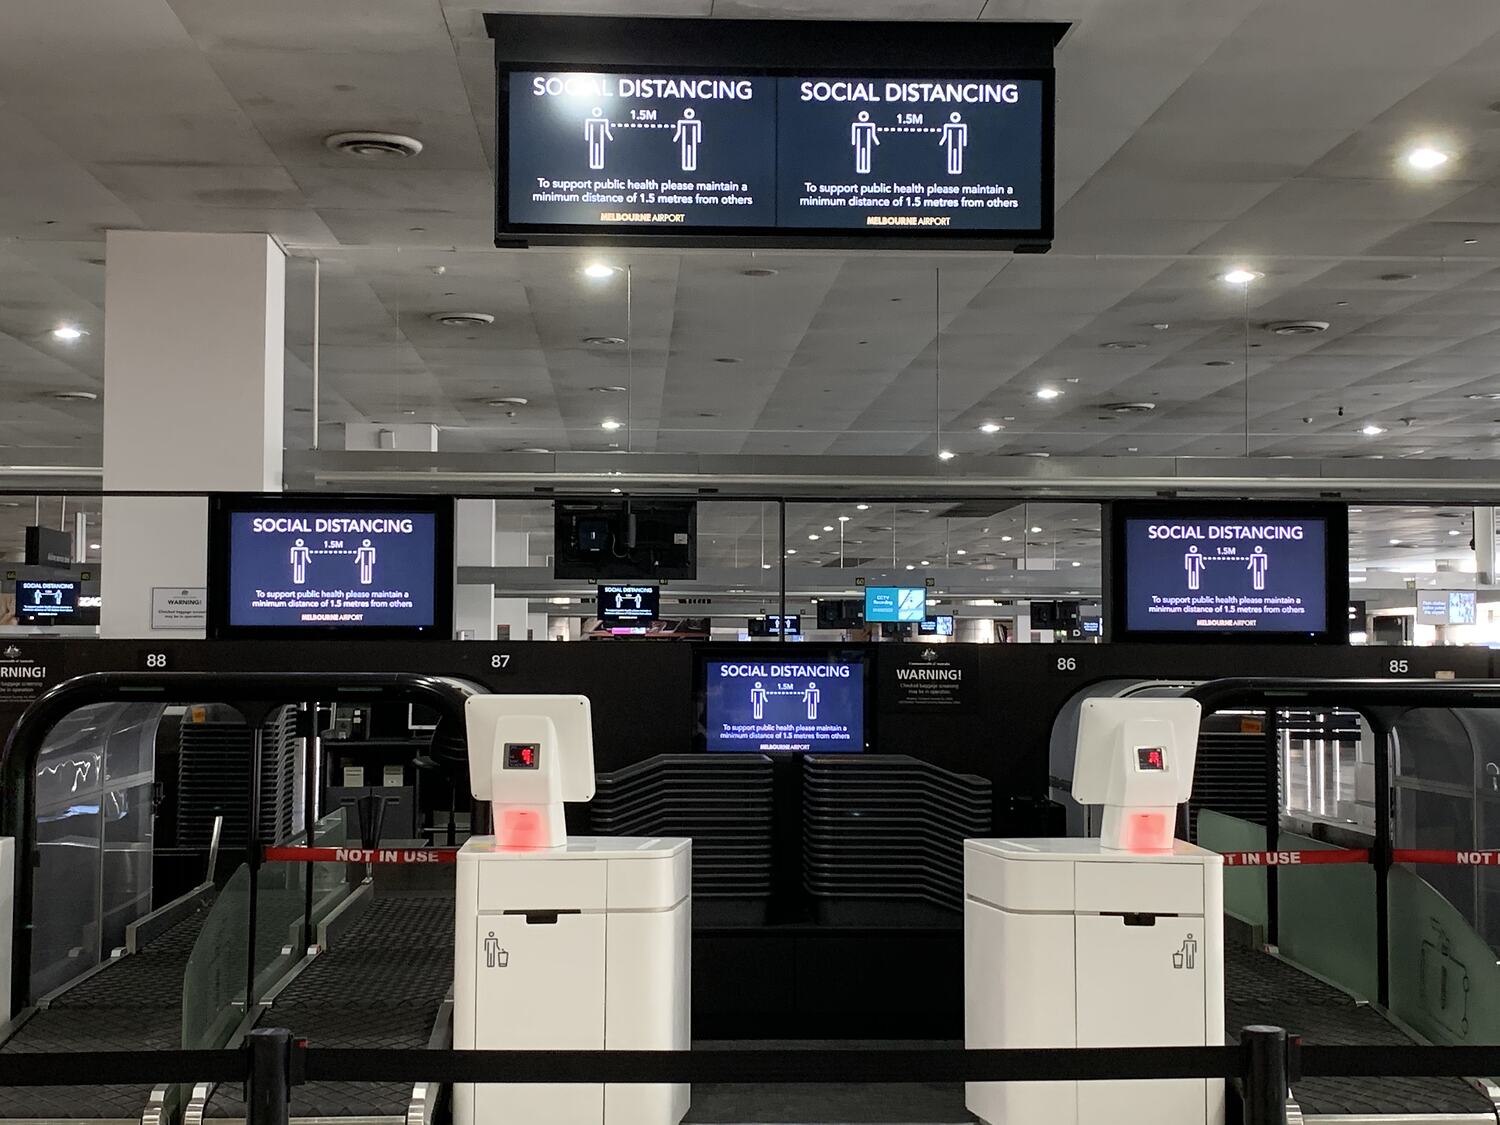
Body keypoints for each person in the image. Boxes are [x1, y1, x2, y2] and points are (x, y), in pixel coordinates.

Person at [673, 108, 702, 172]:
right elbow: (679, 131)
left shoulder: (696, 122)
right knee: (686, 152)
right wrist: (676, 137)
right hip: (686, 140)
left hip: (692, 140)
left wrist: (698, 139)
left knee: (691, 152)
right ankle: (687, 165)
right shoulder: (682, 122)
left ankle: (690, 165)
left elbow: (698, 131)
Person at [585, 107, 613, 171]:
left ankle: (598, 164)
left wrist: (609, 136)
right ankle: (595, 164)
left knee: (598, 150)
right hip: (594, 138)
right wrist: (587, 137)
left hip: (600, 139)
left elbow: (606, 130)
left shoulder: (602, 121)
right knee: (595, 150)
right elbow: (588, 130)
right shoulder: (591, 121)